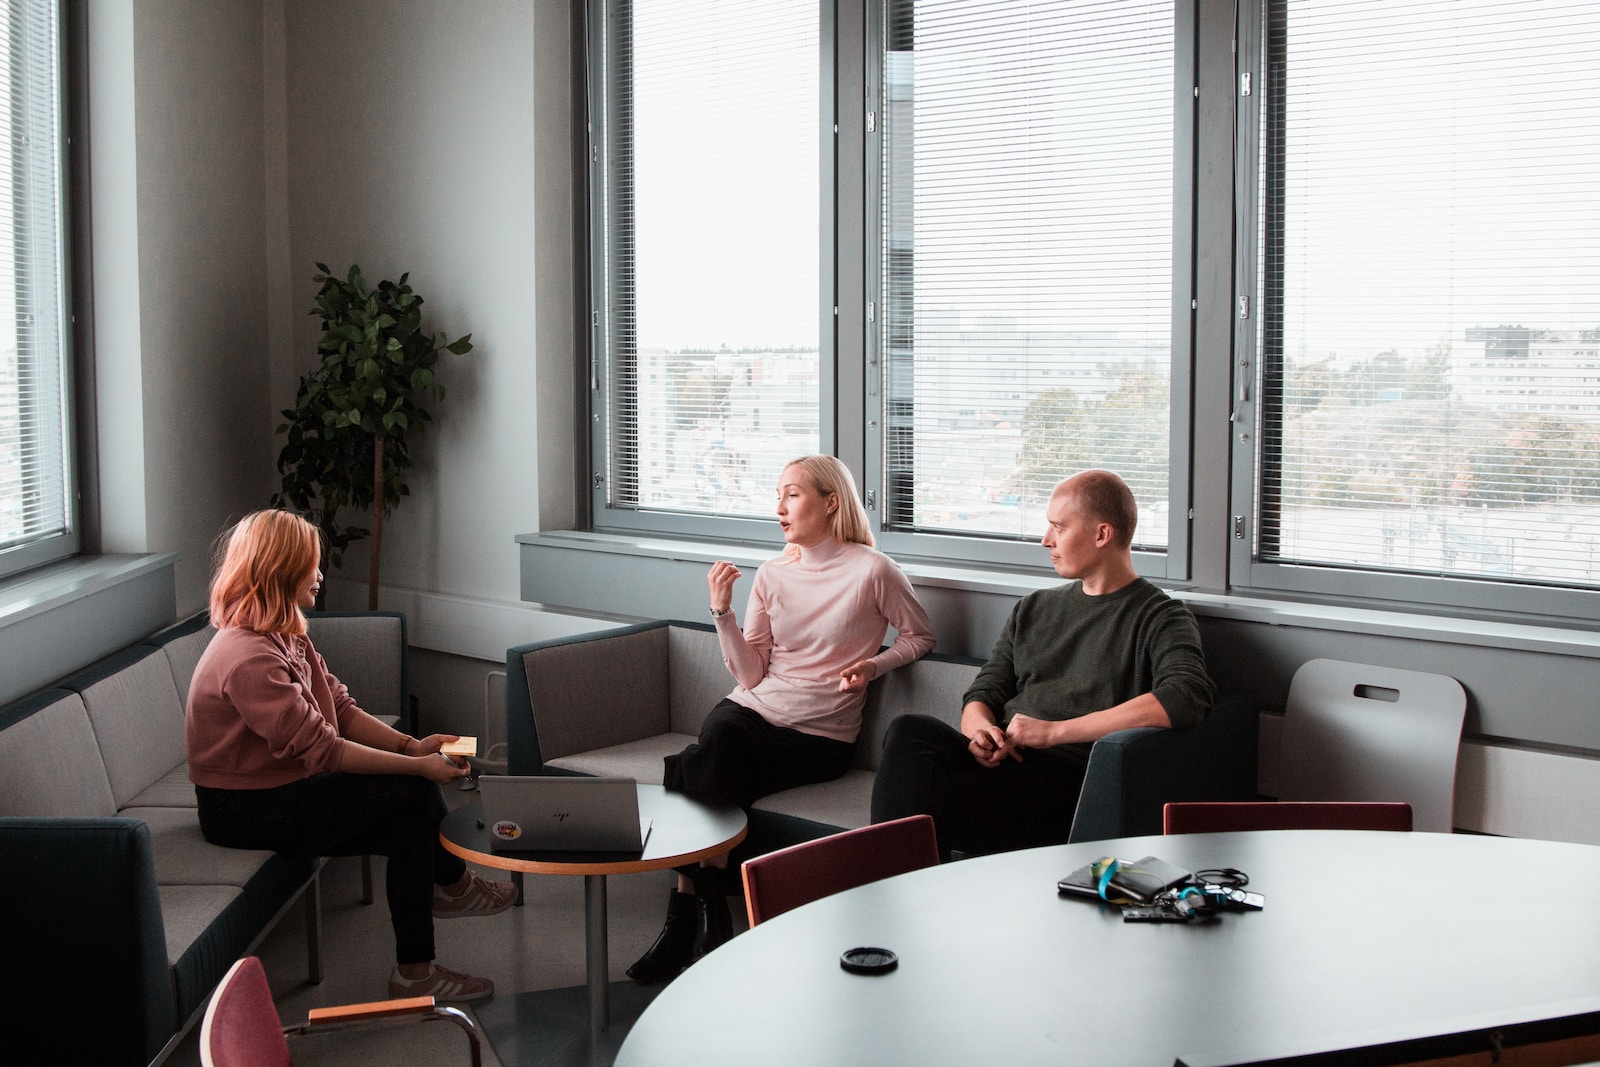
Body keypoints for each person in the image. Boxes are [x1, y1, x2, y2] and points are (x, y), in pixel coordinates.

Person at [186, 509, 516, 1002]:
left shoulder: (284, 633)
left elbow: (338, 707)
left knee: (410, 830)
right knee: (413, 787)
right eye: (310, 566)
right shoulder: (248, 657)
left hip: (279, 789)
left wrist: (411, 745)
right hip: (240, 809)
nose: (320, 575)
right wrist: (418, 767)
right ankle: (453, 884)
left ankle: (414, 973)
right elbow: (324, 750)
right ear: (281, 571)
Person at [627, 455, 935, 983]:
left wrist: (873, 664)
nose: (779, 507)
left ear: (831, 502)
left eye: (792, 494)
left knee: (694, 766)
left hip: (819, 735)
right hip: (754, 710)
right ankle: (708, 914)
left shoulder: (873, 571)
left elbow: (920, 636)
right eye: (777, 495)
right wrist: (721, 611)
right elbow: (749, 676)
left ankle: (686, 920)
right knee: (718, 744)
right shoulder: (772, 573)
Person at [870, 470, 1215, 857]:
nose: (1045, 540)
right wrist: (980, 731)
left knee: (918, 815)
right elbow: (985, 690)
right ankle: (891, 879)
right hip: (1000, 761)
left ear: (1102, 535)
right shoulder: (1033, 608)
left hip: (1062, 779)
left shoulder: (1161, 616)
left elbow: (1186, 696)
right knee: (910, 732)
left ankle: (883, 885)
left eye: (1058, 527)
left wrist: (1053, 733)